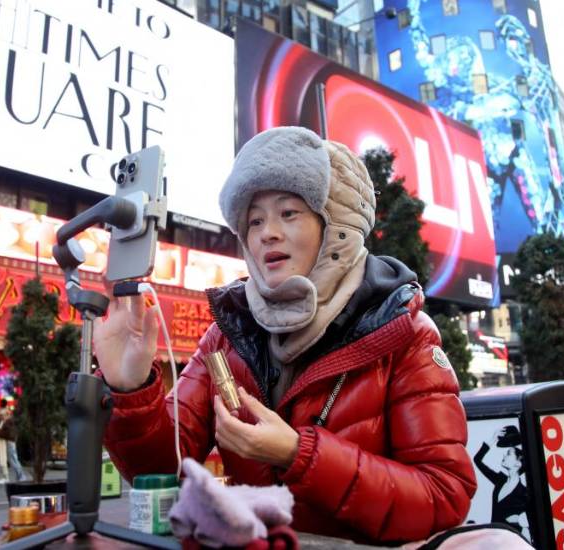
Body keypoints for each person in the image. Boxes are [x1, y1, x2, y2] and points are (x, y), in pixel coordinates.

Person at [95, 127, 476, 544]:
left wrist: (299, 454)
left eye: (288, 213)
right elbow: (162, 468)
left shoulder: (404, 334)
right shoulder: (228, 335)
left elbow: (444, 496)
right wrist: (130, 387)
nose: (267, 233)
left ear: (336, 227)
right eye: (254, 220)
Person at [473, 426, 529, 539]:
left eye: (508, 454)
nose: (504, 455)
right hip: (493, 541)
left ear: (518, 464)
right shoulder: (500, 480)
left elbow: (526, 522)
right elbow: (477, 460)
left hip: (511, 543)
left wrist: (519, 519)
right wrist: (493, 439)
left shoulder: (524, 492)